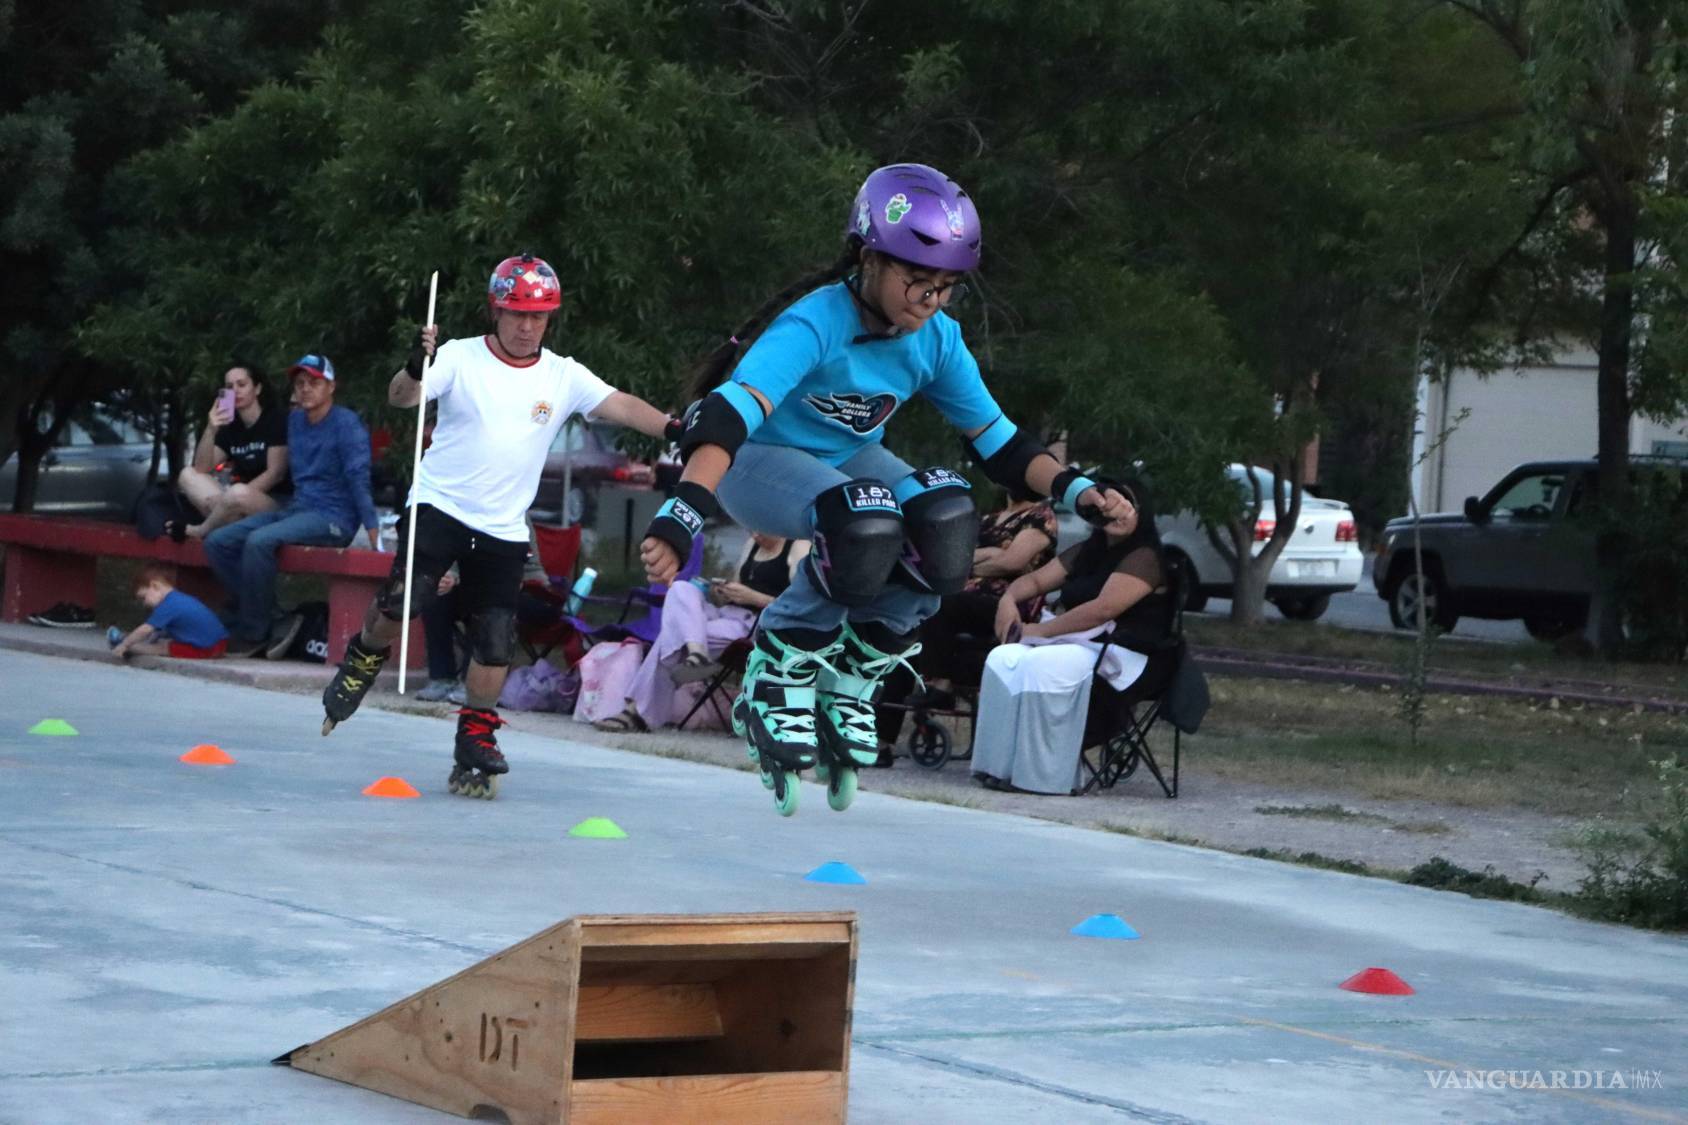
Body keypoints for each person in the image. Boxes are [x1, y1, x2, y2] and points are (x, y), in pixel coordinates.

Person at [638, 162, 1132, 816]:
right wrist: (684, 510)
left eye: (946, 287)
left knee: (946, 522)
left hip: (844, 460)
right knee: (861, 519)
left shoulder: (937, 339)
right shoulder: (815, 322)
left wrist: (1077, 491)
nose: (928, 301)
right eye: (916, 280)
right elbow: (729, 416)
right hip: (756, 461)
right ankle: (782, 666)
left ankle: (855, 672)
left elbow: (1002, 444)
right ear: (869, 257)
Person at [318, 253, 677, 799]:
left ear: (549, 319)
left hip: (503, 526)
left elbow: (621, 405)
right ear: (496, 311)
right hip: (439, 505)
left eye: (538, 316)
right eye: (516, 314)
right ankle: (364, 656)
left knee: (495, 640)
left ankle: (476, 736)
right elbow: (401, 398)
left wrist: (676, 426)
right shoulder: (458, 357)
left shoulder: (562, 375)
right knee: (405, 600)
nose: (527, 326)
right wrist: (415, 365)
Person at [971, 479, 1176, 795]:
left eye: (1126, 506)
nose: (1115, 514)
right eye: (1106, 505)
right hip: (1075, 641)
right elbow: (1037, 580)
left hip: (1122, 652)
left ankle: (1044, 776)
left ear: (1141, 512)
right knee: (1004, 658)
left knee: (1043, 665)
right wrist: (1008, 600)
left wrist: (1038, 630)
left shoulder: (1145, 556)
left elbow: (1102, 610)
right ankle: (1000, 766)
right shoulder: (1088, 550)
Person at [203, 355, 380, 657]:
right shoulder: (295, 421)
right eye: (300, 383)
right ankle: (274, 616)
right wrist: (213, 426)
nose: (306, 389)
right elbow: (252, 440)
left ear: (331, 386)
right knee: (218, 541)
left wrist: (374, 531)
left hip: (333, 517)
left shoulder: (347, 425)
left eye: (314, 382)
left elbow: (358, 479)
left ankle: (254, 633)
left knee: (259, 542)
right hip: (298, 509)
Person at [873, 482, 1057, 760]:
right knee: (907, 642)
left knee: (943, 602)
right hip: (961, 602)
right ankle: (881, 740)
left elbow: (1013, 562)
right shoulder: (989, 519)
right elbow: (949, 557)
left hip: (1004, 605)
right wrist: (991, 556)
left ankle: (941, 684)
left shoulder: (1041, 516)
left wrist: (974, 563)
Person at [595, 530, 809, 732]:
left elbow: (801, 607)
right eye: (750, 528)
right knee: (681, 588)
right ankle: (697, 652)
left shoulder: (797, 547)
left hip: (756, 625)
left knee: (672, 635)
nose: (754, 534)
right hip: (727, 615)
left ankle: (636, 711)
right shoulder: (752, 545)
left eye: (759, 528)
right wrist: (723, 592)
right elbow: (736, 588)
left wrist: (753, 598)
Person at [173, 363, 290, 541]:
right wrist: (211, 428)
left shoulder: (275, 419)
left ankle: (202, 530)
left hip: (276, 502)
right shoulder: (231, 427)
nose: (235, 391)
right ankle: (230, 524)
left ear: (257, 389)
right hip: (237, 504)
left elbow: (276, 473)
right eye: (229, 387)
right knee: (187, 475)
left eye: (241, 385)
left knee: (237, 493)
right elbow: (202, 468)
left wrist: (227, 500)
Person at [107, 565, 230, 659]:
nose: (145, 603)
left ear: (154, 586)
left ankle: (121, 643)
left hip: (204, 649)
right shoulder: (179, 598)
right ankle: (125, 640)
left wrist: (126, 645)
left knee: (161, 648)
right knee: (164, 640)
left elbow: (146, 629)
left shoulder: (167, 605)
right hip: (220, 643)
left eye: (143, 597)